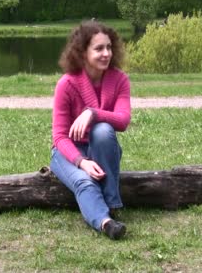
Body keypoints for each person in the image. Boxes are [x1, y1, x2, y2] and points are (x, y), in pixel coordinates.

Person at [50, 20, 131, 240]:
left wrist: (92, 113)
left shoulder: (120, 80)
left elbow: (123, 120)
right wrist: (81, 162)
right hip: (67, 153)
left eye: (109, 47)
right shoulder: (66, 84)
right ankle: (107, 223)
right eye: (98, 48)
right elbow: (58, 136)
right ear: (82, 52)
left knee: (103, 130)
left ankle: (112, 202)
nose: (106, 53)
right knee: (85, 181)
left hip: (100, 148)